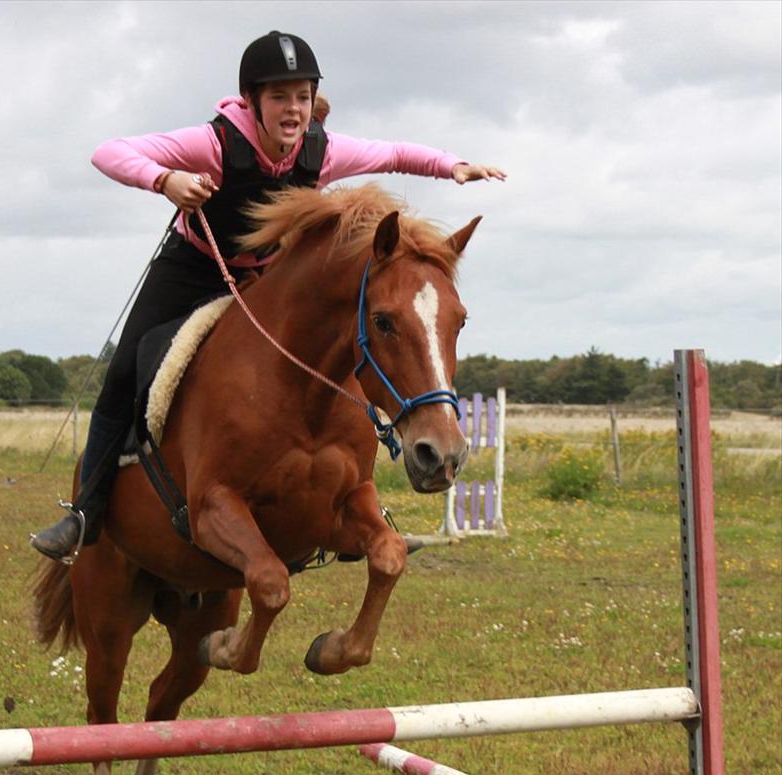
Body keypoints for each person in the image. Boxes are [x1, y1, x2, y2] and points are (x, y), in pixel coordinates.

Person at [31, 30, 506, 562]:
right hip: (193, 268)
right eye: (280, 97)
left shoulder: (320, 151)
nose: (294, 109)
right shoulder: (213, 143)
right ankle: (85, 512)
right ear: (252, 101)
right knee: (125, 370)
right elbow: (108, 152)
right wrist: (164, 179)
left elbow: (393, 154)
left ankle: (352, 510)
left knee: (334, 355)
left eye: (303, 97)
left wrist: (452, 166)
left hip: (265, 278)